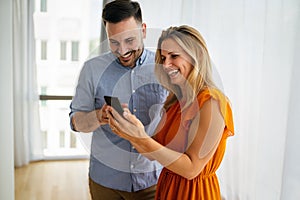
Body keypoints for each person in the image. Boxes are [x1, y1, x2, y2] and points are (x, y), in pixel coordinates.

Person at [107, 25, 235, 200]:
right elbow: (152, 153)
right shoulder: (174, 101)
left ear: (196, 56)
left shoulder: (212, 103)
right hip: (168, 189)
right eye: (163, 57)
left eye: (174, 56)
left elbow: (191, 169)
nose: (166, 65)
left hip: (195, 194)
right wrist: (131, 131)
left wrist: (141, 137)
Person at [69, 0, 168, 199]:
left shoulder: (164, 67)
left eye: (129, 40)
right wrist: (99, 116)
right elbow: (75, 121)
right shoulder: (92, 69)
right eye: (114, 42)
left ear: (144, 31)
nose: (122, 51)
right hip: (106, 183)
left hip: (153, 181)